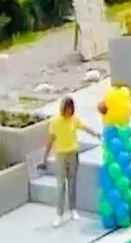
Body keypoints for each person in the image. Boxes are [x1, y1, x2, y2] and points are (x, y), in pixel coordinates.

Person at [41, 96, 98, 226]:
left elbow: (84, 127)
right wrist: (45, 156)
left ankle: (73, 209)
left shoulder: (74, 119)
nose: (69, 111)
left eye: (71, 109)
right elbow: (50, 140)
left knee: (72, 182)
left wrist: (96, 134)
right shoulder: (55, 122)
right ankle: (59, 214)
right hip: (61, 154)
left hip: (73, 152)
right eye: (67, 109)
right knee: (61, 185)